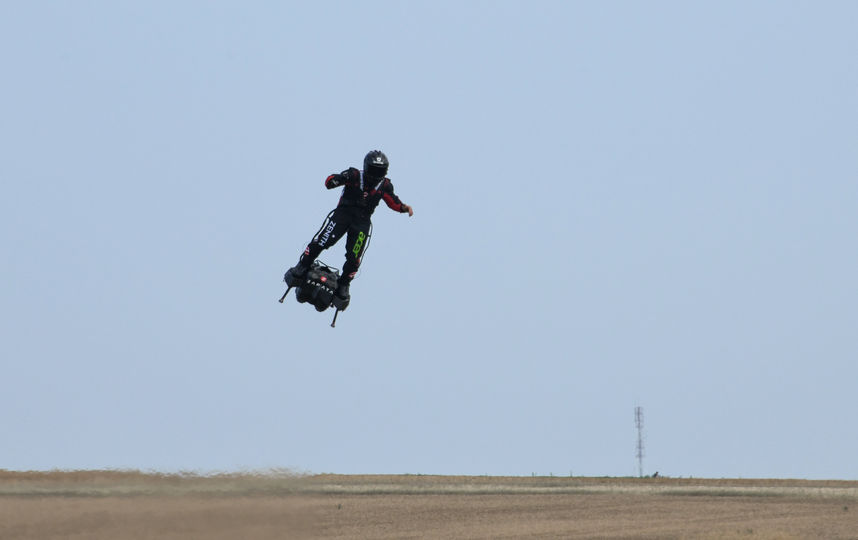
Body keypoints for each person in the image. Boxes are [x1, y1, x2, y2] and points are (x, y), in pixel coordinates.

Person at [284, 150, 414, 309]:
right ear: (366, 167)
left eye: (380, 171)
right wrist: (335, 181)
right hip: (343, 214)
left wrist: (403, 208)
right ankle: (303, 265)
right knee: (323, 241)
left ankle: (344, 285)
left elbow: (392, 201)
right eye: (373, 170)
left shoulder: (385, 185)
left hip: (362, 222)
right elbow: (330, 181)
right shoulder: (353, 175)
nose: (375, 175)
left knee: (354, 257)